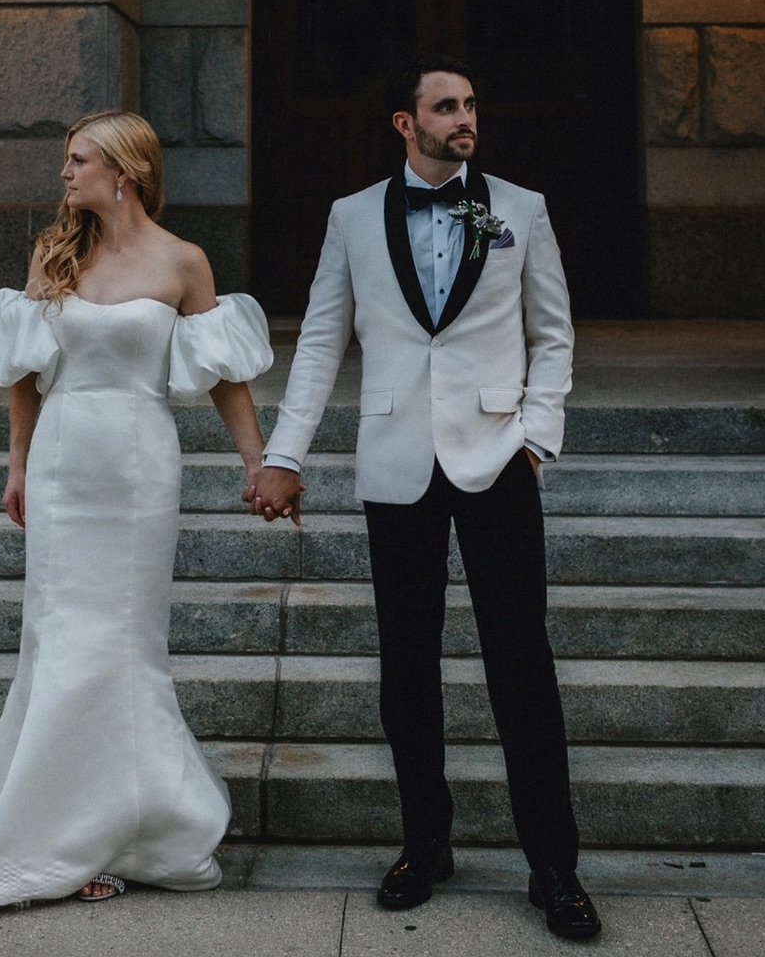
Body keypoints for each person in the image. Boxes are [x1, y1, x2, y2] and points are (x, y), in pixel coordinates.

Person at [248, 58, 600, 942]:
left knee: (521, 662)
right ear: (406, 124)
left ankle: (554, 867)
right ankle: (424, 843)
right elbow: (324, 340)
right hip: (397, 459)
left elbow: (552, 333)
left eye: (471, 104)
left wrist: (536, 438)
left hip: (496, 460)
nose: (464, 117)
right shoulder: (353, 217)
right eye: (446, 107)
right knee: (407, 666)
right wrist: (285, 453)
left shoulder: (519, 208)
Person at [0, 109, 273, 909]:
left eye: (78, 161)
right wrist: (18, 465)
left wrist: (258, 461)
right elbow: (26, 373)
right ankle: (59, 836)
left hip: (140, 464)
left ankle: (134, 830)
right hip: (66, 460)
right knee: (61, 637)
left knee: (125, 643)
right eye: (67, 162)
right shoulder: (55, 254)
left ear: (122, 173)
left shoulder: (184, 263)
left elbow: (224, 375)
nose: (65, 175)